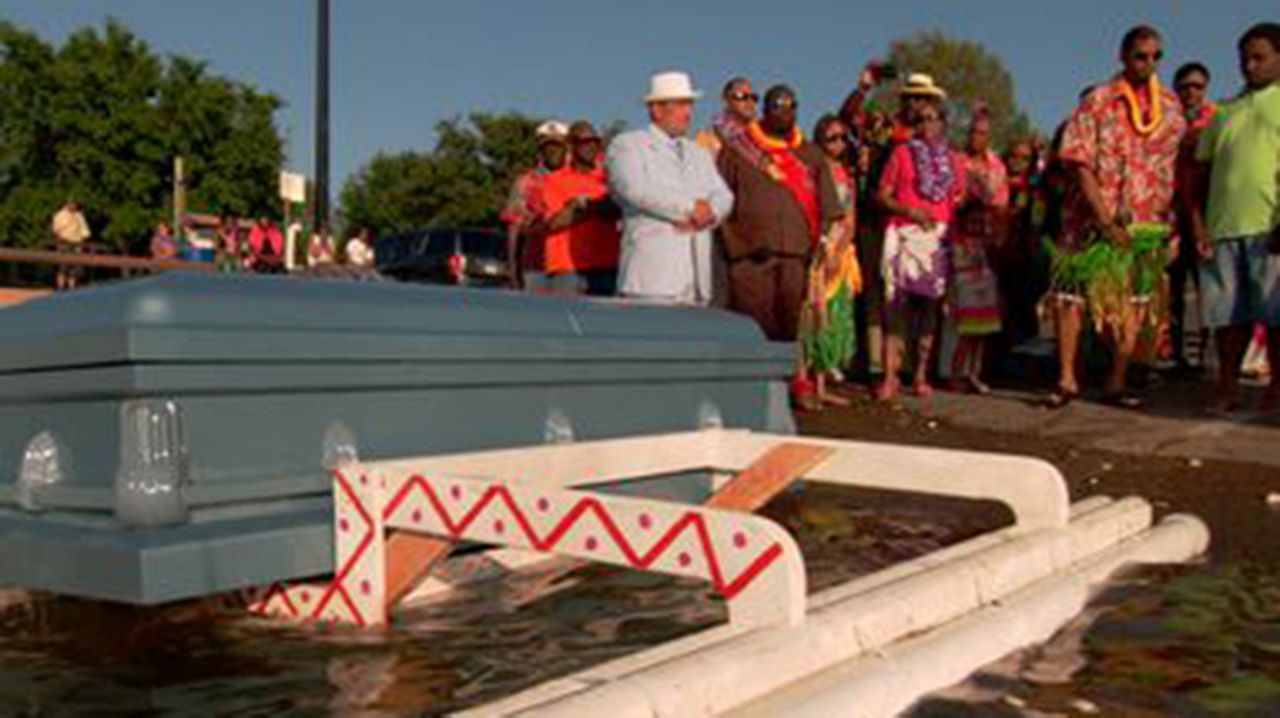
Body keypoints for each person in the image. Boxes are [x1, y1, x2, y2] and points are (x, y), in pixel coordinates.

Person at [1045, 25, 1185, 409]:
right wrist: (1103, 217)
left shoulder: (1171, 108)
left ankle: (1116, 380)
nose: (1149, 63)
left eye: (1157, 56)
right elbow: (1078, 161)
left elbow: (1174, 171)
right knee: (1069, 296)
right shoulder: (1098, 100)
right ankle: (1067, 378)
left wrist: (1171, 229)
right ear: (1123, 57)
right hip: (1087, 219)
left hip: (1144, 223)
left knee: (1136, 301)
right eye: (1141, 55)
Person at [1187, 22, 1280, 413]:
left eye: (1259, 57)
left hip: (1269, 227)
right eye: (1244, 59)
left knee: (1275, 315)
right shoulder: (1222, 113)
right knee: (1226, 317)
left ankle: (1277, 391)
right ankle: (1228, 388)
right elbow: (1200, 176)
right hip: (1222, 230)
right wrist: (1198, 224)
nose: (1249, 65)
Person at [606, 71, 733, 305]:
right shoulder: (628, 145)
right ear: (656, 109)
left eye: (690, 104)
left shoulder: (699, 152)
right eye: (682, 104)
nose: (689, 113)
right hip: (651, 278)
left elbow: (724, 195)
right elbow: (635, 189)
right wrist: (690, 209)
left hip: (697, 280)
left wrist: (710, 213)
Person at [877, 106, 966, 402]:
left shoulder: (954, 160)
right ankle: (890, 376)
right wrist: (910, 210)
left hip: (937, 239)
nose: (927, 124)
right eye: (920, 119)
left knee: (929, 309)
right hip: (904, 231)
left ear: (943, 123)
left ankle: (920, 375)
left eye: (933, 118)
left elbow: (959, 198)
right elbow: (883, 194)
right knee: (895, 306)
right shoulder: (901, 154)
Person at [798, 114, 862, 409]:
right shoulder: (810, 170)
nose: (837, 144)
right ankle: (803, 380)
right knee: (812, 314)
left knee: (834, 316)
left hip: (840, 250)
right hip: (816, 246)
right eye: (831, 138)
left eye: (841, 138)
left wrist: (841, 249)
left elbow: (850, 217)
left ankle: (822, 382)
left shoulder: (846, 175)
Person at [951, 110, 1009, 394]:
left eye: (983, 133)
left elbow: (1001, 208)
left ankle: (974, 372)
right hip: (959, 245)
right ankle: (954, 372)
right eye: (974, 131)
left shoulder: (997, 167)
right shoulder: (956, 162)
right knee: (962, 319)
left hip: (986, 248)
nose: (977, 137)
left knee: (983, 320)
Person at [537, 121, 621, 296]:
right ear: (571, 145)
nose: (591, 147)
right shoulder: (554, 181)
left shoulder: (610, 179)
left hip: (607, 266)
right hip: (568, 269)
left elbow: (618, 209)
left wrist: (580, 206)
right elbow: (555, 223)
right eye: (584, 142)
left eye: (595, 142)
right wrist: (597, 206)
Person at [1168, 62, 1216, 371]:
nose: (1191, 92)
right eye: (1185, 86)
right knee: (1173, 290)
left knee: (1207, 290)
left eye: (1197, 86)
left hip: (1206, 216)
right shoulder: (1166, 122)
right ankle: (1176, 354)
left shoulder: (1217, 120)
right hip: (1171, 218)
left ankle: (1204, 355)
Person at [501, 120, 569, 290]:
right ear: (540, 151)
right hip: (535, 265)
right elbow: (513, 232)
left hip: (569, 267)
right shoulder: (525, 182)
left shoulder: (574, 180)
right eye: (548, 147)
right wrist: (513, 271)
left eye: (558, 146)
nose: (553, 151)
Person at [695, 76, 760, 158]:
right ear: (726, 99)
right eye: (741, 96)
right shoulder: (708, 138)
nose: (749, 102)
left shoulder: (763, 137)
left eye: (754, 97)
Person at [51, 200, 91, 290]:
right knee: (63, 267)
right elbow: (56, 230)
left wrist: (82, 243)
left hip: (77, 243)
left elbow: (85, 231)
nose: (74, 206)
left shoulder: (79, 215)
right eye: (72, 203)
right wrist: (60, 242)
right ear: (67, 204)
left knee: (74, 268)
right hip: (64, 242)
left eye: (75, 204)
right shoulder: (60, 215)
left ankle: (71, 288)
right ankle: (60, 288)